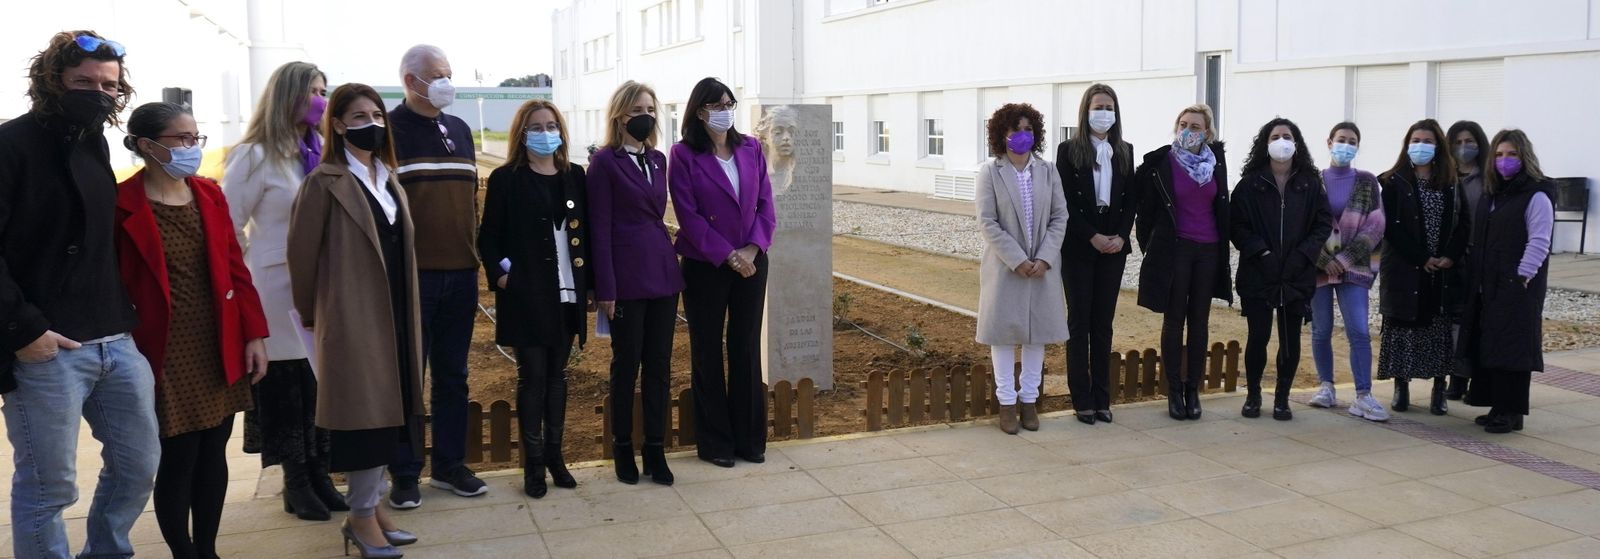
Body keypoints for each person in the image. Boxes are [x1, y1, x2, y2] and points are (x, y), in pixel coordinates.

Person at [0, 30, 161, 559]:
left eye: (109, 85)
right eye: (83, 81)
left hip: (114, 339)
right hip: (47, 349)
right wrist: (26, 332)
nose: (99, 92)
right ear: (52, 81)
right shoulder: (10, 145)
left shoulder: (93, 141)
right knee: (49, 489)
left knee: (139, 466)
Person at [115, 102, 270, 559]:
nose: (191, 148)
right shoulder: (121, 204)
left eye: (195, 138)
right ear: (147, 145)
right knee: (178, 457)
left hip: (216, 341)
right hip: (161, 350)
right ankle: (184, 553)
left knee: (213, 452)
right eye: (181, 139)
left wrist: (254, 334)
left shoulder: (208, 193)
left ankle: (208, 549)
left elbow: (234, 268)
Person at [287, 83, 422, 558]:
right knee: (366, 421)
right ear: (338, 125)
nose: (372, 124)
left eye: (376, 114)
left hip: (397, 315)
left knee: (393, 415)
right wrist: (316, 319)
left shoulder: (389, 177)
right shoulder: (324, 182)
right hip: (352, 320)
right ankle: (361, 518)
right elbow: (301, 259)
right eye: (359, 117)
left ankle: (374, 507)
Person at [223, 60, 346, 521]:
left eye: (323, 89)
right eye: (313, 90)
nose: (321, 98)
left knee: (315, 384)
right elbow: (228, 226)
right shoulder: (255, 154)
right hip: (274, 288)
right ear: (288, 96)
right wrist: (246, 279)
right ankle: (295, 483)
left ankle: (318, 474)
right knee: (286, 388)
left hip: (320, 286)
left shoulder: (317, 150)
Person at [386, 44, 484, 507]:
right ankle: (404, 472)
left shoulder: (460, 129)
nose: (446, 81)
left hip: (462, 274)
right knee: (408, 377)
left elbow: (471, 204)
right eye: (436, 74)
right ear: (410, 80)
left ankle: (449, 465)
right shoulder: (388, 131)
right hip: (412, 278)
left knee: (454, 375)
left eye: (449, 72)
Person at [479, 100, 587, 498]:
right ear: (523, 133)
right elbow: (488, 236)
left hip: (565, 292)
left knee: (558, 377)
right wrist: (504, 276)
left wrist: (587, 286)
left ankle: (556, 457)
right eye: (537, 126)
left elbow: (584, 236)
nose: (546, 132)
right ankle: (534, 464)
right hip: (526, 294)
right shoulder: (507, 178)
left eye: (551, 125)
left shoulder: (575, 175)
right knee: (533, 376)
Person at [669, 77, 776, 466]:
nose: (725, 110)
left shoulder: (751, 148)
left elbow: (766, 203)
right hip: (706, 264)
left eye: (729, 102)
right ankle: (715, 443)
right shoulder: (682, 155)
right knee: (707, 350)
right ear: (700, 112)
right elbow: (689, 215)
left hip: (752, 262)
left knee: (746, 347)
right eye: (716, 105)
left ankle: (750, 441)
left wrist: (751, 249)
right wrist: (728, 254)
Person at [589, 81, 682, 485]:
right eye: (637, 109)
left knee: (659, 366)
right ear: (620, 115)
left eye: (650, 108)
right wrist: (606, 287)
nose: (646, 115)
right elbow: (600, 227)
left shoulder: (659, 159)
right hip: (625, 278)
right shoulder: (604, 163)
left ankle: (656, 450)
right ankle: (623, 447)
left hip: (662, 273)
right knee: (626, 365)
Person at [1230, 118, 1333, 421]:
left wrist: (1304, 254)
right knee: (1258, 336)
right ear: (1265, 143)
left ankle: (1282, 399)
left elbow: (1323, 223)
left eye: (1287, 136)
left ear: (1296, 143)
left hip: (1296, 272)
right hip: (1259, 271)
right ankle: (1253, 395)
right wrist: (1260, 251)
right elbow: (1236, 224)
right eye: (1275, 136)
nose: (1281, 141)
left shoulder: (1310, 184)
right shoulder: (1250, 184)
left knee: (1290, 339)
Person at [1134, 104, 1232, 421]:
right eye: (1183, 124)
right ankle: (1174, 390)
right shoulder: (1161, 162)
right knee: (1174, 320)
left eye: (1196, 126)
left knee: (1199, 321)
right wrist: (1151, 245)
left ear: (1208, 133)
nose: (1188, 131)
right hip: (1175, 250)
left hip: (1209, 250)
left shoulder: (1216, 163)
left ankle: (1194, 391)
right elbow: (1146, 210)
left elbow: (1222, 204)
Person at [976, 103, 1069, 435]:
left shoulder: (1047, 171)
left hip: (1042, 268)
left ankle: (1029, 401)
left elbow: (1060, 216)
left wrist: (1044, 257)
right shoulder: (991, 172)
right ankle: (1006, 403)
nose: (1022, 135)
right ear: (1003, 134)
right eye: (1015, 129)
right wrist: (1017, 259)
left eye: (1028, 129)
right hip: (1006, 269)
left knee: (1036, 336)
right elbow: (987, 222)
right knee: (1003, 337)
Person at [1461, 129, 1554, 434]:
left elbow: (1539, 241)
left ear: (1524, 157)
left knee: (1514, 348)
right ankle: (1498, 407)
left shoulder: (1537, 195)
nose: (1504, 161)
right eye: (1499, 155)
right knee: (1494, 344)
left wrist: (1522, 277)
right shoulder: (1493, 193)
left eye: (1511, 154)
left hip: (1517, 284)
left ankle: (1511, 412)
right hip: (1490, 285)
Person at [1377, 119, 1469, 416]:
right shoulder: (1394, 181)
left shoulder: (1452, 181)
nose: (1420, 146)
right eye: (1415, 140)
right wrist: (1420, 257)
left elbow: (1464, 222)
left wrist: (1450, 256)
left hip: (1441, 270)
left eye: (1427, 141)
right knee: (1403, 328)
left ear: (1438, 146)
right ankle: (1400, 387)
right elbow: (1388, 226)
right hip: (1406, 267)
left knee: (1438, 330)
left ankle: (1439, 390)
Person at [1054, 84, 1133, 425]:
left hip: (1113, 246)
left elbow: (1131, 199)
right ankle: (1082, 398)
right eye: (1099, 106)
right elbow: (1066, 201)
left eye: (1109, 107)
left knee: (1103, 324)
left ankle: (1103, 398)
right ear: (1086, 110)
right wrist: (1092, 236)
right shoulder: (1068, 150)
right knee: (1079, 322)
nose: (1104, 112)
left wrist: (1120, 235)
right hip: (1079, 245)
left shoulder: (1125, 150)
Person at [1307, 122, 1389, 422]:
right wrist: (1321, 258)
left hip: (1354, 269)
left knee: (1359, 331)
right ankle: (1326, 386)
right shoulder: (1313, 180)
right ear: (1329, 142)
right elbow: (1303, 224)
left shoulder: (1367, 182)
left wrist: (1344, 259)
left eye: (1352, 141)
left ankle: (1363, 395)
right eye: (1341, 139)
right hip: (1318, 269)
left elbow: (1376, 225)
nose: (1346, 145)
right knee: (1321, 329)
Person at [1445, 119, 1491, 401]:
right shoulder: (1445, 177)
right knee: (1454, 322)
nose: (1464, 148)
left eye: (1469, 142)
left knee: (1478, 322)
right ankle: (1457, 377)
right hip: (1450, 261)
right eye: (1458, 143)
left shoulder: (1487, 179)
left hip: (1480, 259)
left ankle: (1477, 378)